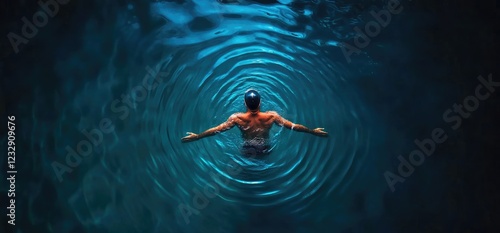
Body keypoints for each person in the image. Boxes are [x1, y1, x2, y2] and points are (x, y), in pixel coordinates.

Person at [181, 89, 328, 155]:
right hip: (265, 147)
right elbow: (293, 127)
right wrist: (312, 131)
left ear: (245, 104)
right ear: (260, 103)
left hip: (246, 147)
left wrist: (198, 136)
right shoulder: (272, 116)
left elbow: (217, 130)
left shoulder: (236, 118)